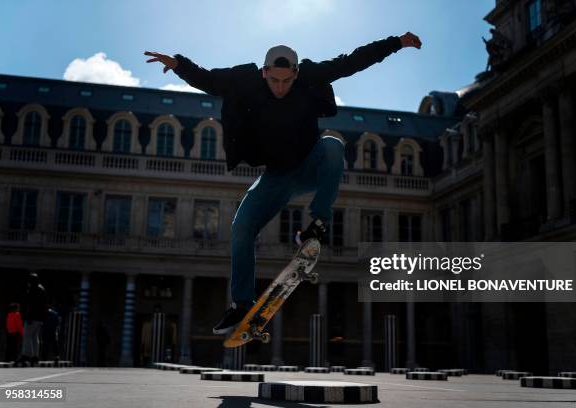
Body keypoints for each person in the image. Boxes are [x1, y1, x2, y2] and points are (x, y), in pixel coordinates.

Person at [144, 32, 422, 334]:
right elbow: (209, 81)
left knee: (332, 145)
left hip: (310, 165)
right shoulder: (245, 81)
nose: (280, 87)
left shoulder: (310, 77)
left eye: (287, 81)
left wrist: (397, 43)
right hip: (276, 176)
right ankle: (241, 305)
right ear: (264, 72)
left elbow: (352, 61)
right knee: (241, 228)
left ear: (296, 73)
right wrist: (178, 65)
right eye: (274, 80)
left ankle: (316, 225)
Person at [17, 273, 47, 366]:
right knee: (35, 337)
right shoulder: (42, 289)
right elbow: (44, 305)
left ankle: (26, 354)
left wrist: (28, 316)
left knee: (27, 336)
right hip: (39, 318)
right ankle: (35, 356)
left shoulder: (33, 289)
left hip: (32, 317)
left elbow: (30, 305)